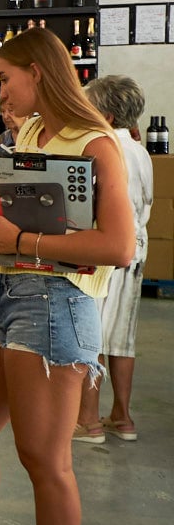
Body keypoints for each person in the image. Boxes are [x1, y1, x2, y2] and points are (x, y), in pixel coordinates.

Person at [0, 29, 135, 525]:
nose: (1, 92)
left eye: (5, 79)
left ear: (36, 71)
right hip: (7, 300)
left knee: (44, 462)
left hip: (58, 306)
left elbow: (118, 247)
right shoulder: (29, 136)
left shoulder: (95, 142)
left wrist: (20, 239)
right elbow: (23, 213)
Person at [74, 75, 153, 443]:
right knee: (122, 335)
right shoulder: (140, 151)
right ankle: (121, 416)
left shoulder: (103, 148)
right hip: (136, 248)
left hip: (106, 248)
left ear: (104, 113)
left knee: (93, 334)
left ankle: (87, 420)